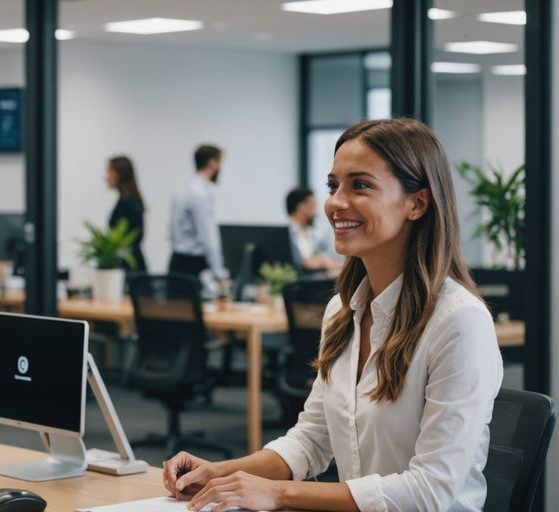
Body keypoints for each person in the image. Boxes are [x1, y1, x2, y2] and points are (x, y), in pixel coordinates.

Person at [161, 118, 502, 511]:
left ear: (417, 203)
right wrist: (221, 474)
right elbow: (311, 439)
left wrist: (277, 493)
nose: (335, 203)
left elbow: (429, 491)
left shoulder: (459, 323)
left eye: (360, 185)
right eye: (333, 185)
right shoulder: (342, 310)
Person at [169, 144, 227, 291]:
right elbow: (208, 236)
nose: (221, 168)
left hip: (177, 261)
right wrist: (219, 274)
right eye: (220, 163)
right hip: (193, 265)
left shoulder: (183, 188)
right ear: (212, 163)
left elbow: (172, 229)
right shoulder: (200, 193)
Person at [286, 186, 341, 273]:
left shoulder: (313, 234)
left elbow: (324, 257)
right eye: (313, 206)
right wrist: (321, 262)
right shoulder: (286, 235)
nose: (316, 213)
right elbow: (300, 263)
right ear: (301, 207)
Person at [106, 155, 147, 271]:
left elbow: (133, 239)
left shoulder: (127, 203)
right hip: (130, 265)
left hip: (130, 268)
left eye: (109, 172)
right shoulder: (128, 201)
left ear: (120, 174)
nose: (106, 177)